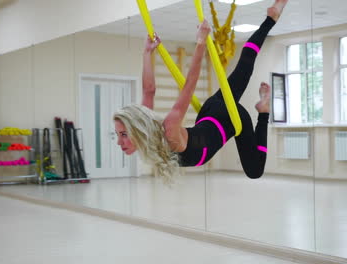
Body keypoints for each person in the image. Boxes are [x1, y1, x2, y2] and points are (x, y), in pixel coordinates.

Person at [113, 0, 288, 182]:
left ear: (136, 129)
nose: (119, 142)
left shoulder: (169, 131)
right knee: (245, 65)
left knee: (255, 171)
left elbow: (189, 86)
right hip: (211, 110)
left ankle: (263, 111)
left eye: (124, 135)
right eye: (118, 135)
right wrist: (147, 53)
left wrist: (200, 43)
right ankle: (270, 18)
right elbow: (148, 91)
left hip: (229, 118)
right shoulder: (147, 126)